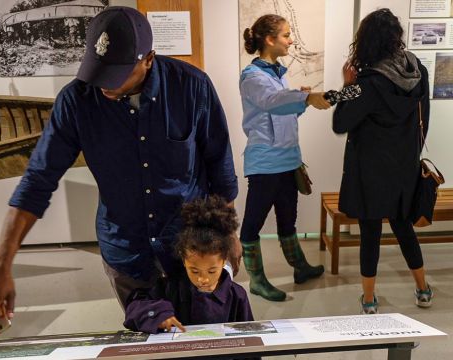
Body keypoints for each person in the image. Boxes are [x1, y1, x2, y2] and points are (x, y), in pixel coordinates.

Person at [0, 6, 241, 338]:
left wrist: (229, 235)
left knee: (203, 337)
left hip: (190, 249)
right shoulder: (76, 100)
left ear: (149, 59)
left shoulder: (191, 87)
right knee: (150, 336)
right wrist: (1, 262)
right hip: (127, 252)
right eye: (98, 71)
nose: (104, 85)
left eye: (117, 74)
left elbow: (220, 164)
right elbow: (38, 180)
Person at [332, 8, 433, 314]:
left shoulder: (368, 81)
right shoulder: (419, 72)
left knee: (370, 233)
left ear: (367, 41)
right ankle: (423, 289)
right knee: (404, 228)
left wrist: (346, 83)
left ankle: (369, 299)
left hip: (370, 169)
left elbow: (341, 123)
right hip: (404, 167)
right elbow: (423, 122)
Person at [239, 14, 328, 302]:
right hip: (265, 162)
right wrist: (305, 97)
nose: (291, 40)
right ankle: (257, 280)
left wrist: (300, 100)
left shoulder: (279, 72)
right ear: (269, 40)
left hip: (289, 158)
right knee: (253, 223)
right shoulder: (252, 76)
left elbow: (284, 110)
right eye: (287, 35)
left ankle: (300, 267)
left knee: (288, 219)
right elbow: (270, 102)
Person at [123, 195, 253, 333]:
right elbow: (134, 308)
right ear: (184, 260)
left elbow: (249, 338)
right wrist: (157, 315)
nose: (203, 279)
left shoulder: (237, 295)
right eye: (195, 271)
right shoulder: (170, 288)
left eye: (212, 271)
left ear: (223, 261)